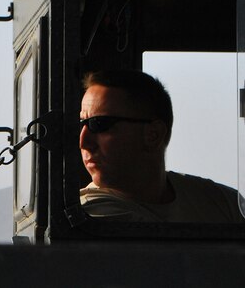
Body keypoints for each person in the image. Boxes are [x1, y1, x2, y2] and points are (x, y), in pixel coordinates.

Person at [78, 70, 244, 223]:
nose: (84, 142)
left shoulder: (221, 201)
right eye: (81, 124)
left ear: (153, 135)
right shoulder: (90, 213)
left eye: (99, 124)